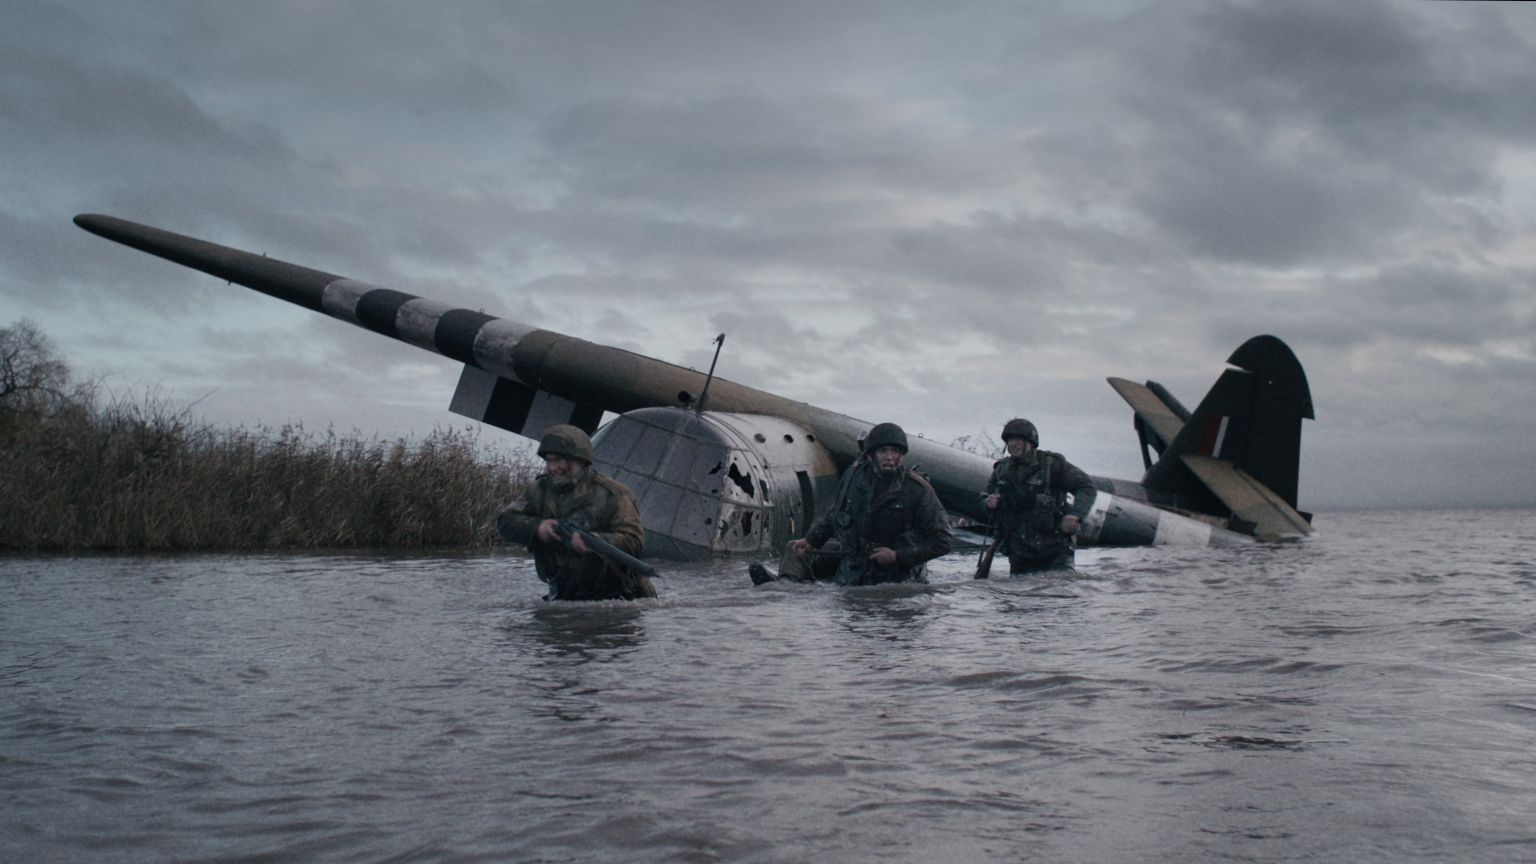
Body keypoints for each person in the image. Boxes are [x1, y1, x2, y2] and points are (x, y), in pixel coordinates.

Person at [769, 422, 953, 585]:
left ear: (901, 455)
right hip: (853, 567)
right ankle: (784, 588)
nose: (889, 457)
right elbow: (836, 513)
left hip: (898, 574)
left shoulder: (918, 491)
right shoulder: (854, 478)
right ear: (872, 454)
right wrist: (811, 540)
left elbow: (943, 541)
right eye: (883, 451)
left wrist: (897, 556)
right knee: (794, 548)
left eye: (894, 451)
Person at [496, 424, 656, 600]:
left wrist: (594, 542)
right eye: (548, 460)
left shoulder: (613, 494)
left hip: (621, 596)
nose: (552, 467)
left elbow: (634, 543)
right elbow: (506, 521)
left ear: (578, 460)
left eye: (557, 460)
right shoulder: (539, 491)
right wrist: (538, 528)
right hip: (564, 596)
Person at [981, 417, 1097, 574]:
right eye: (1010, 440)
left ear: (1031, 442)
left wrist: (1075, 515)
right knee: (1018, 595)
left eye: (1018, 440)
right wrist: (988, 503)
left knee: (1060, 591)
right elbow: (986, 498)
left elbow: (1086, 487)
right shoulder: (1002, 470)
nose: (1013, 444)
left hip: (1055, 550)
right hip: (1019, 553)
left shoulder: (1052, 465)